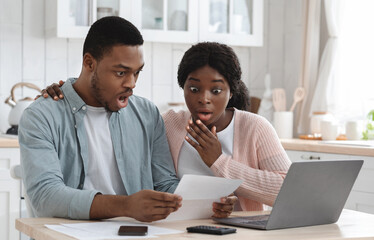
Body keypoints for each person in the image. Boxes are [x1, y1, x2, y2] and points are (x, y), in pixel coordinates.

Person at [42, 42, 291, 211]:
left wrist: (219, 162)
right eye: (194, 89)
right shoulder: (170, 123)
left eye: (216, 90)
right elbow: (106, 102)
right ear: (183, 88)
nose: (204, 98)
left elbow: (289, 192)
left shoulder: (254, 127)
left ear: (231, 90)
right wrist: (68, 91)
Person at [19, 16, 184, 222]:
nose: (131, 83)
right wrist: (126, 206)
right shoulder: (41, 116)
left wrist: (208, 202)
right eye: (121, 72)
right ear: (89, 63)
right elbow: (46, 196)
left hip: (138, 233)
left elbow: (165, 184)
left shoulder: (147, 113)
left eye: (137, 73)